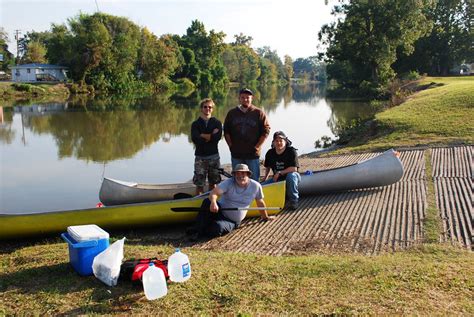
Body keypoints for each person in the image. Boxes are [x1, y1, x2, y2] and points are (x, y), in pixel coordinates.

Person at [187, 164, 274, 240]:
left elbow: (260, 202)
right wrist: (213, 202)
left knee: (217, 228)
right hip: (219, 211)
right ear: (234, 175)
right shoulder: (229, 182)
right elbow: (213, 193)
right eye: (237, 173)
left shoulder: (256, 186)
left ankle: (203, 227)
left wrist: (265, 217)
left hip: (232, 221)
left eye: (243, 173)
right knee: (207, 201)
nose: (240, 176)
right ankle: (197, 231)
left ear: (248, 174)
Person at [224, 88, 271, 181]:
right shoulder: (232, 113)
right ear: (239, 98)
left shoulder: (258, 113)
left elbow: (266, 130)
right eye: (243, 97)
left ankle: (254, 196)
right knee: (237, 179)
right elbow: (226, 131)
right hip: (237, 153)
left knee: (254, 179)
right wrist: (230, 145)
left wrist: (258, 146)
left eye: (247, 97)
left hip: (252, 153)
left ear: (252, 98)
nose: (245, 99)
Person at [191, 98, 223, 195]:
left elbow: (217, 137)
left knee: (213, 184)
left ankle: (211, 203)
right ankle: (199, 203)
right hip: (200, 158)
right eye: (205, 107)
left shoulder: (217, 123)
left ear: (212, 109)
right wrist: (210, 136)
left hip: (214, 157)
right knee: (199, 184)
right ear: (201, 109)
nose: (207, 109)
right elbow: (195, 139)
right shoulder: (195, 124)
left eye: (210, 107)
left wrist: (202, 135)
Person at [262, 131, 301, 210]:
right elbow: (268, 166)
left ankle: (294, 201)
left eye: (281, 140)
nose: (279, 143)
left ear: (285, 141)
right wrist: (265, 178)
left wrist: (280, 173)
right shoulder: (270, 153)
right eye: (276, 141)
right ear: (273, 142)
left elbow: (294, 169)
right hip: (277, 178)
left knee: (291, 176)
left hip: (292, 176)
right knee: (261, 187)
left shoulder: (291, 151)